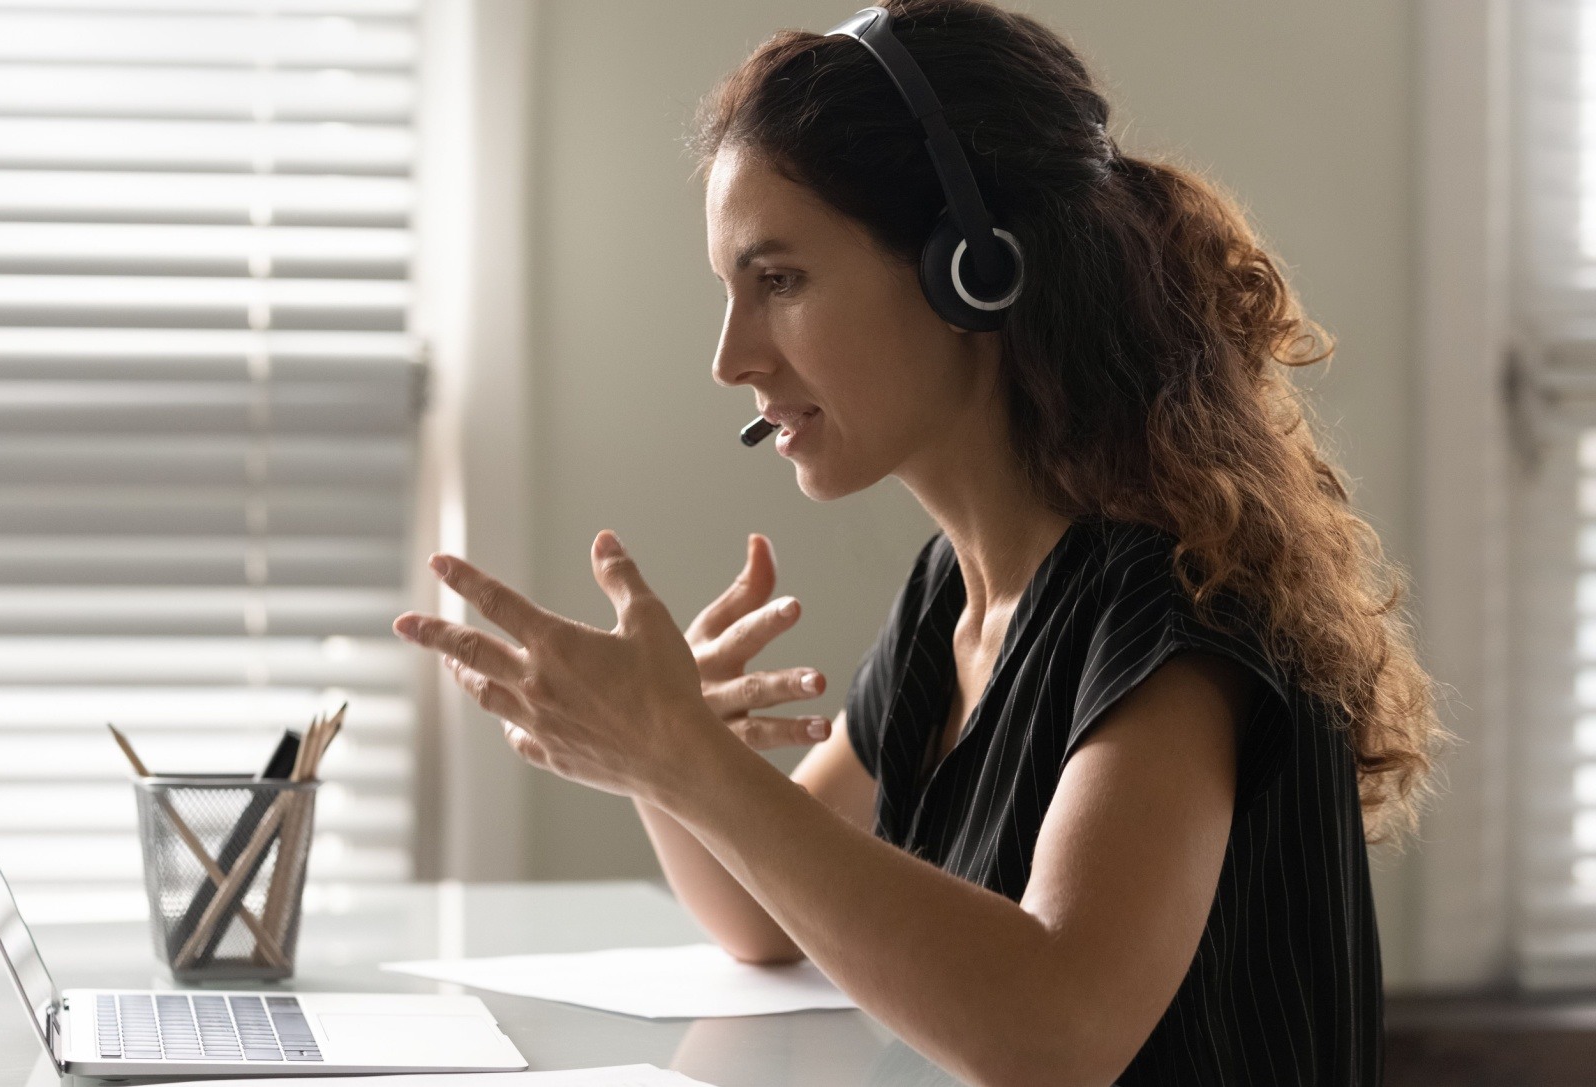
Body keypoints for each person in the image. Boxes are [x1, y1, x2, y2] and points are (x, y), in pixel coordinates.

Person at [392, 2, 1443, 1083]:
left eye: (780, 281)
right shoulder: (956, 594)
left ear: (969, 270)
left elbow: (1058, 1028)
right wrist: (663, 754)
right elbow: (766, 915)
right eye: (731, 291)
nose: (731, 356)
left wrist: (686, 756)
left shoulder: (1175, 601)